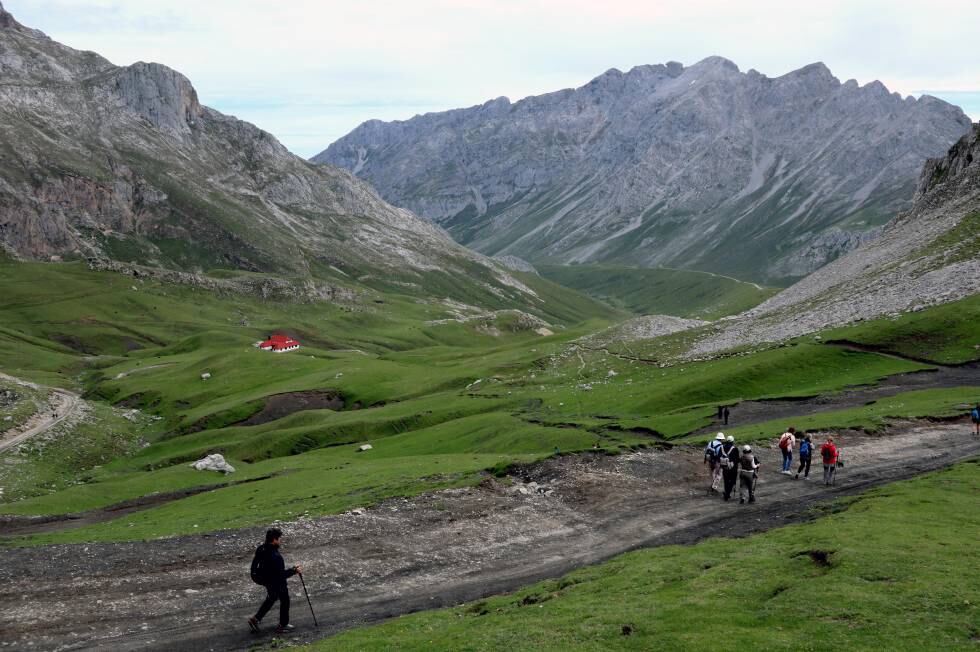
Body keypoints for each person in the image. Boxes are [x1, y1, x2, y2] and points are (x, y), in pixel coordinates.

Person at [248, 528, 302, 635]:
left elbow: (255, 566)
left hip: (262, 578)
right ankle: (282, 625)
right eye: (279, 539)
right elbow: (281, 575)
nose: (280, 541)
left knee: (272, 597)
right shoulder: (276, 556)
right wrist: (294, 570)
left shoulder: (261, 549)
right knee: (285, 599)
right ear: (274, 540)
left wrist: (258, 577)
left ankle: (256, 619)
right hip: (273, 580)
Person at [720, 435, 740, 501]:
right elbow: (737, 459)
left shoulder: (722, 447)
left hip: (724, 467)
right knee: (732, 481)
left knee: (726, 481)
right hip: (732, 468)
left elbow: (719, 456)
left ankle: (726, 492)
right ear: (732, 441)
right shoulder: (734, 449)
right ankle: (727, 493)